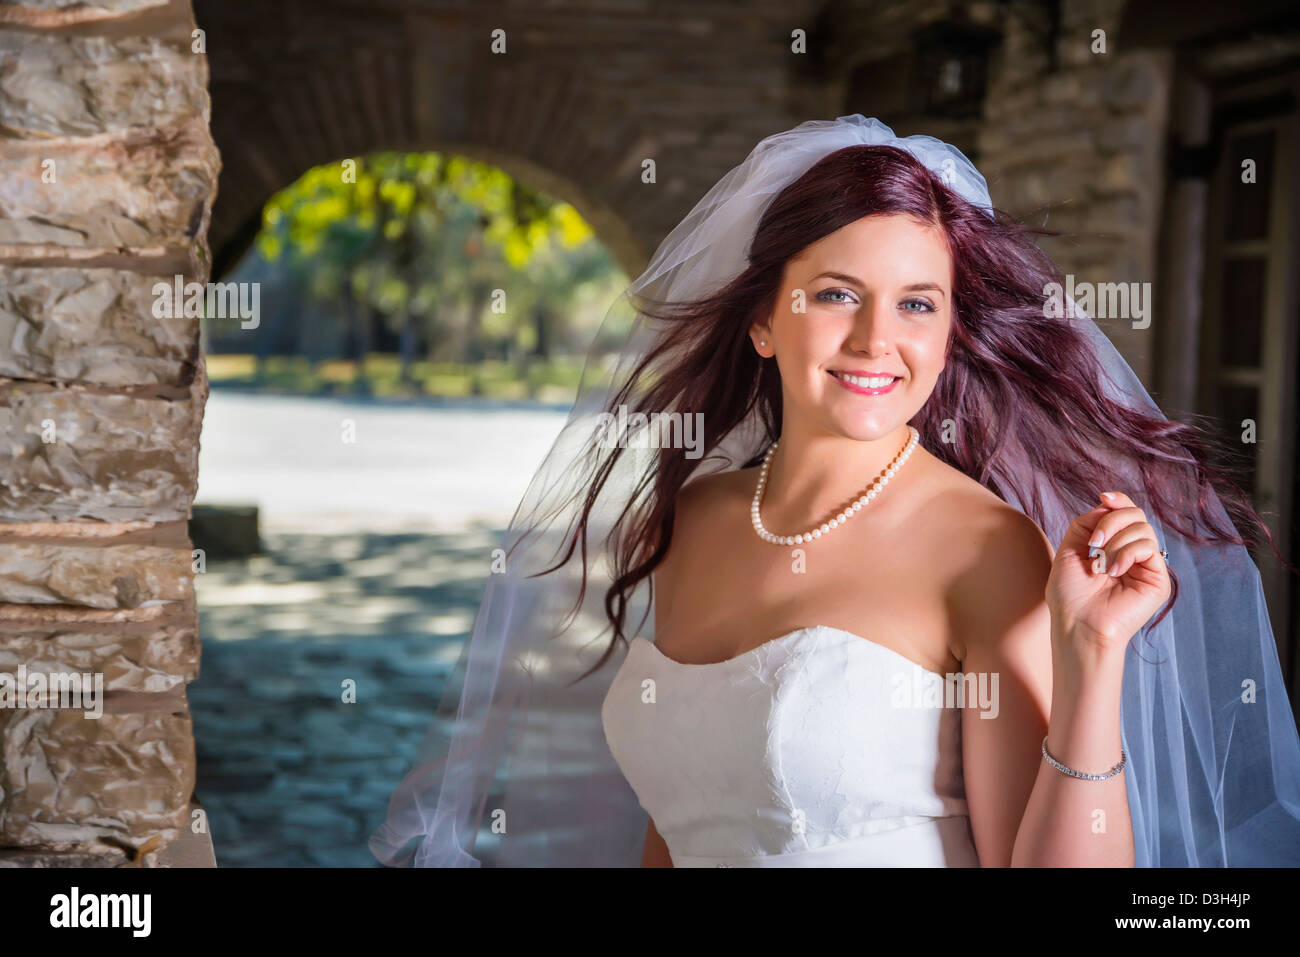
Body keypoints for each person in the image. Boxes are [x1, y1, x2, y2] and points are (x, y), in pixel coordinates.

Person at [370, 115, 1300, 867]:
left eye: (916, 303)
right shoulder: (693, 520)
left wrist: (1092, 657)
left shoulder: (987, 552)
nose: (874, 342)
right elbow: (679, 820)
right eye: (836, 294)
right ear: (765, 322)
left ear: (946, 334)